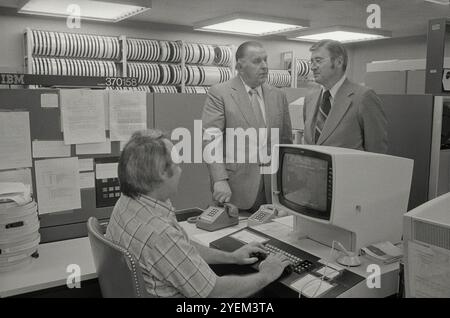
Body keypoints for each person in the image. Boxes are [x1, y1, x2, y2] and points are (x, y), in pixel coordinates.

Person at [105, 130, 291, 298]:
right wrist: (266, 274)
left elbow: (182, 250)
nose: (181, 169)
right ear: (162, 173)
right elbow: (215, 292)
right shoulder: (160, 235)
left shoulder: (127, 203)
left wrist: (231, 257)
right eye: (177, 164)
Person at [201, 41, 292, 213]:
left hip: (272, 190)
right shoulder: (220, 93)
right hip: (235, 189)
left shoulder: (278, 96)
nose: (264, 66)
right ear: (239, 66)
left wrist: (288, 183)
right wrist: (219, 179)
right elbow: (211, 139)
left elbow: (286, 141)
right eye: (257, 61)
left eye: (265, 60)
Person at [303, 39, 387, 153]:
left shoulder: (363, 97)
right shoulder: (310, 99)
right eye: (311, 62)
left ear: (339, 62)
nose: (313, 67)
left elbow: (377, 151)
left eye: (318, 61)